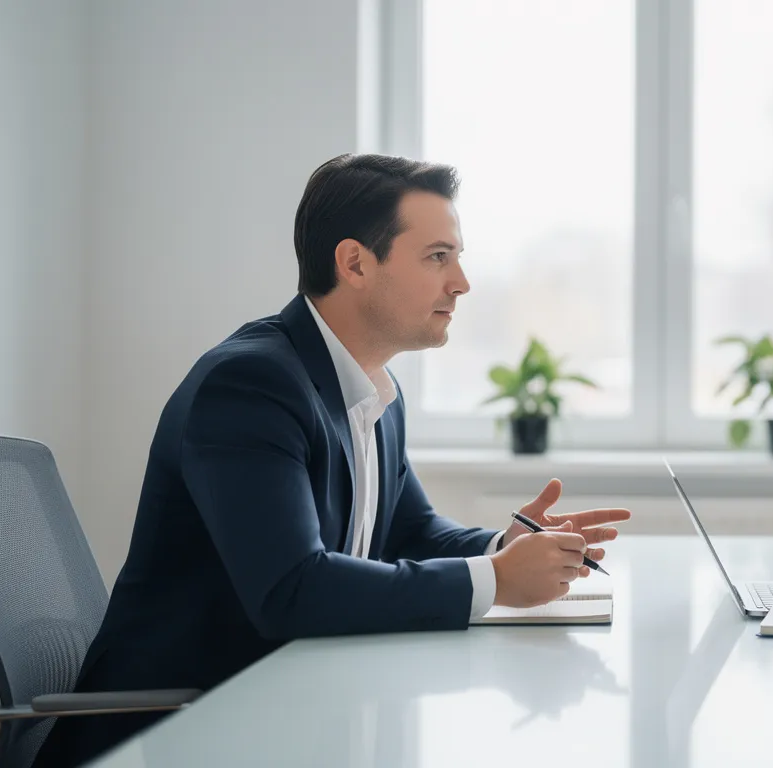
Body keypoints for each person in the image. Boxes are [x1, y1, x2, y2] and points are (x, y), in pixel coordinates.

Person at [34, 154, 631, 767]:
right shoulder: (251, 384)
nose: (462, 282)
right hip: (174, 732)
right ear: (354, 264)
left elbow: (409, 530)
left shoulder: (372, 389)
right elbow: (291, 588)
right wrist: (499, 581)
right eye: (437, 257)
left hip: (278, 709)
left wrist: (504, 544)